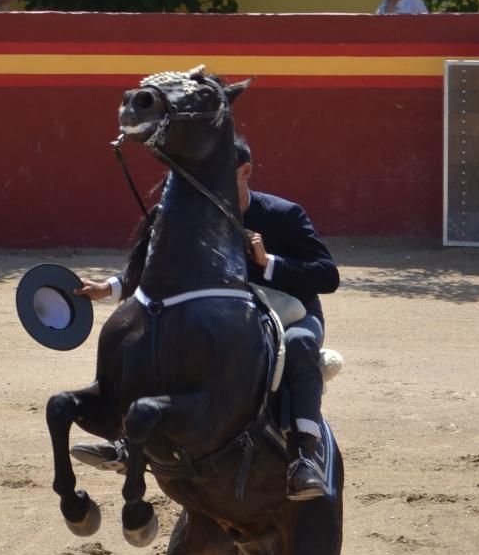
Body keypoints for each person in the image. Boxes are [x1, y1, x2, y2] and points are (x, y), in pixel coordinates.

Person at [76, 137, 339, 500]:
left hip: (293, 312)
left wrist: (269, 262)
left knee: (299, 346)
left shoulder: (284, 214)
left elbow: (327, 276)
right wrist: (111, 288)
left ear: (245, 171)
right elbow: (162, 267)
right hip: (229, 317)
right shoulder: (199, 219)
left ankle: (303, 456)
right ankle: (127, 439)